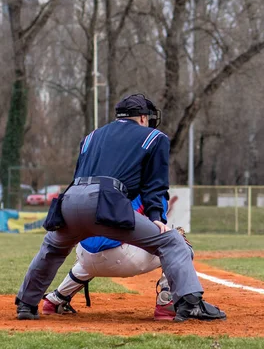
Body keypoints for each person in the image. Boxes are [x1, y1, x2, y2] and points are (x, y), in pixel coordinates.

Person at [16, 94, 226, 322]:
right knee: (172, 241)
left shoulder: (91, 137)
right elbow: (155, 185)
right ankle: (190, 304)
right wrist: (156, 216)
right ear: (144, 117)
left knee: (51, 248)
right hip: (105, 202)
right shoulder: (155, 137)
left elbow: (81, 174)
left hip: (70, 199)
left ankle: (26, 304)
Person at [42, 195, 187, 321]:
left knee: (96, 249)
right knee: (177, 243)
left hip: (84, 254)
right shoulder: (152, 188)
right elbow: (160, 234)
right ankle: (166, 303)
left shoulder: (102, 185)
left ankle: (55, 299)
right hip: (122, 257)